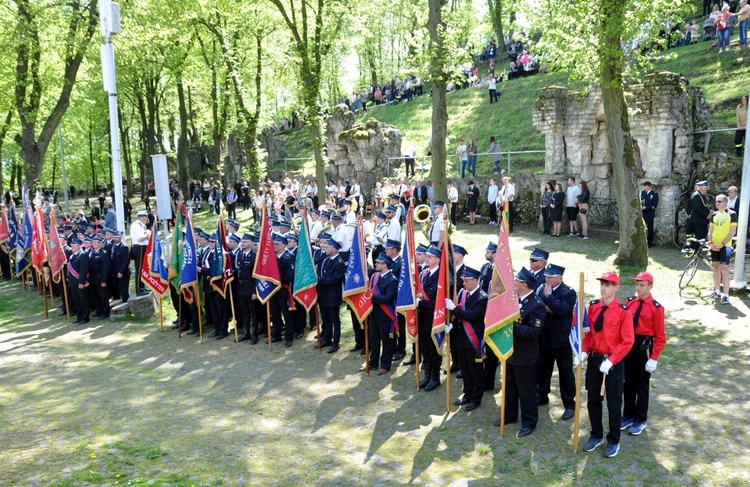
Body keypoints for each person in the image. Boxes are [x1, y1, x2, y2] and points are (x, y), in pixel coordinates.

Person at [580, 272, 634, 458]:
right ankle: (596, 435)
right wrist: (585, 351)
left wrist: (611, 360)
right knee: (593, 400)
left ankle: (613, 440)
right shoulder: (594, 307)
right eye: (602, 284)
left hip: (613, 363)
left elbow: (627, 341)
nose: (604, 288)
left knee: (613, 403)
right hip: (595, 361)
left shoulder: (623, 312)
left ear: (616, 288)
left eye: (608, 285)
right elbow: (589, 335)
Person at [491, 268, 546, 436]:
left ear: (524, 284)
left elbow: (533, 332)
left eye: (516, 280)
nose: (513, 283)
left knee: (526, 390)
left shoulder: (537, 305)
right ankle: (509, 414)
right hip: (509, 350)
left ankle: (529, 421)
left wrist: (510, 324)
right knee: (509, 387)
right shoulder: (513, 299)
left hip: (525, 355)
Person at [622, 271, 667, 436]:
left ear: (650, 286)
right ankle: (627, 415)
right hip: (629, 346)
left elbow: (661, 337)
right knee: (627, 383)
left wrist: (653, 358)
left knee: (641, 385)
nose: (638, 288)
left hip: (644, 348)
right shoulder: (630, 302)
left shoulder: (656, 308)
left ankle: (640, 419)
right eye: (637, 284)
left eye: (642, 285)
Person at [537, 263, 577, 420]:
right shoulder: (541, 288)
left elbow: (561, 310)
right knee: (543, 370)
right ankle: (542, 395)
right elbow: (539, 307)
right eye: (546, 276)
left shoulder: (569, 292)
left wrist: (548, 298)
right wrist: (550, 305)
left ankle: (569, 404)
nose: (547, 278)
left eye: (551, 277)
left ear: (560, 278)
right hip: (544, 336)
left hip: (561, 341)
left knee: (566, 373)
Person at [446, 266, 488, 411]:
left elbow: (470, 315)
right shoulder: (463, 293)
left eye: (467, 281)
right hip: (460, 338)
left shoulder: (483, 298)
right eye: (463, 281)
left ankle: (476, 398)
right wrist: (451, 324)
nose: (463, 284)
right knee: (464, 370)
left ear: (476, 281)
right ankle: (467, 394)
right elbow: (459, 316)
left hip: (473, 340)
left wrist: (454, 309)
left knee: (475, 371)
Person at [362, 253, 399, 375]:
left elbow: (388, 298)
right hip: (374, 313)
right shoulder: (375, 276)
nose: (376, 264)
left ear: (385, 265)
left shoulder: (392, 280)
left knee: (386, 341)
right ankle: (373, 362)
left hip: (385, 315)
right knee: (374, 339)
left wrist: (372, 297)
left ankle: (385, 364)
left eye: (378, 262)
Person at [416, 245, 443, 391]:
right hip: (422, 318)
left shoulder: (441, 277)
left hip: (434, 318)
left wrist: (420, 303)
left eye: (430, 257)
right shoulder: (424, 273)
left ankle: (435, 377)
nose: (427, 258)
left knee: (434, 350)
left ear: (438, 260)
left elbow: (438, 302)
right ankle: (427, 375)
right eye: (426, 256)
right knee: (425, 349)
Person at [316, 238, 346, 353]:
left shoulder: (339, 263)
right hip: (324, 294)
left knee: (334, 319)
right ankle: (327, 338)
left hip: (333, 296)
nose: (325, 248)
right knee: (325, 318)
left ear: (333, 249)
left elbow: (334, 279)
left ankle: (336, 342)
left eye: (327, 247)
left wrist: (320, 280)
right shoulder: (326, 260)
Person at [707, 194, 738, 305]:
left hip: (726, 246)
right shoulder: (714, 215)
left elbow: (732, 231)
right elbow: (711, 230)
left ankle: (726, 295)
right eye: (716, 201)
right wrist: (710, 242)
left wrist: (722, 244)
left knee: (724, 269)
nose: (717, 203)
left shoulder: (732, 214)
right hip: (714, 245)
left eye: (719, 201)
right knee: (715, 268)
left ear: (725, 202)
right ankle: (716, 291)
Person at [129, 210, 151, 295]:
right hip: (140, 248)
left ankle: (142, 287)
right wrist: (148, 233)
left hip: (143, 247)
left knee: (143, 268)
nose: (146, 219)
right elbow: (140, 238)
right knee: (140, 268)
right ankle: (139, 288)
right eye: (146, 217)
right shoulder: (137, 226)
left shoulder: (141, 225)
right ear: (143, 217)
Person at [641, 181, 659, 247]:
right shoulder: (643, 193)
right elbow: (642, 201)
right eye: (645, 187)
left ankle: (650, 242)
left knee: (650, 228)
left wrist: (646, 207)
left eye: (647, 187)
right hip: (643, 213)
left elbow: (654, 205)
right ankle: (643, 241)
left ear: (650, 186)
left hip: (650, 214)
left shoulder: (654, 194)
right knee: (643, 228)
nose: (645, 188)